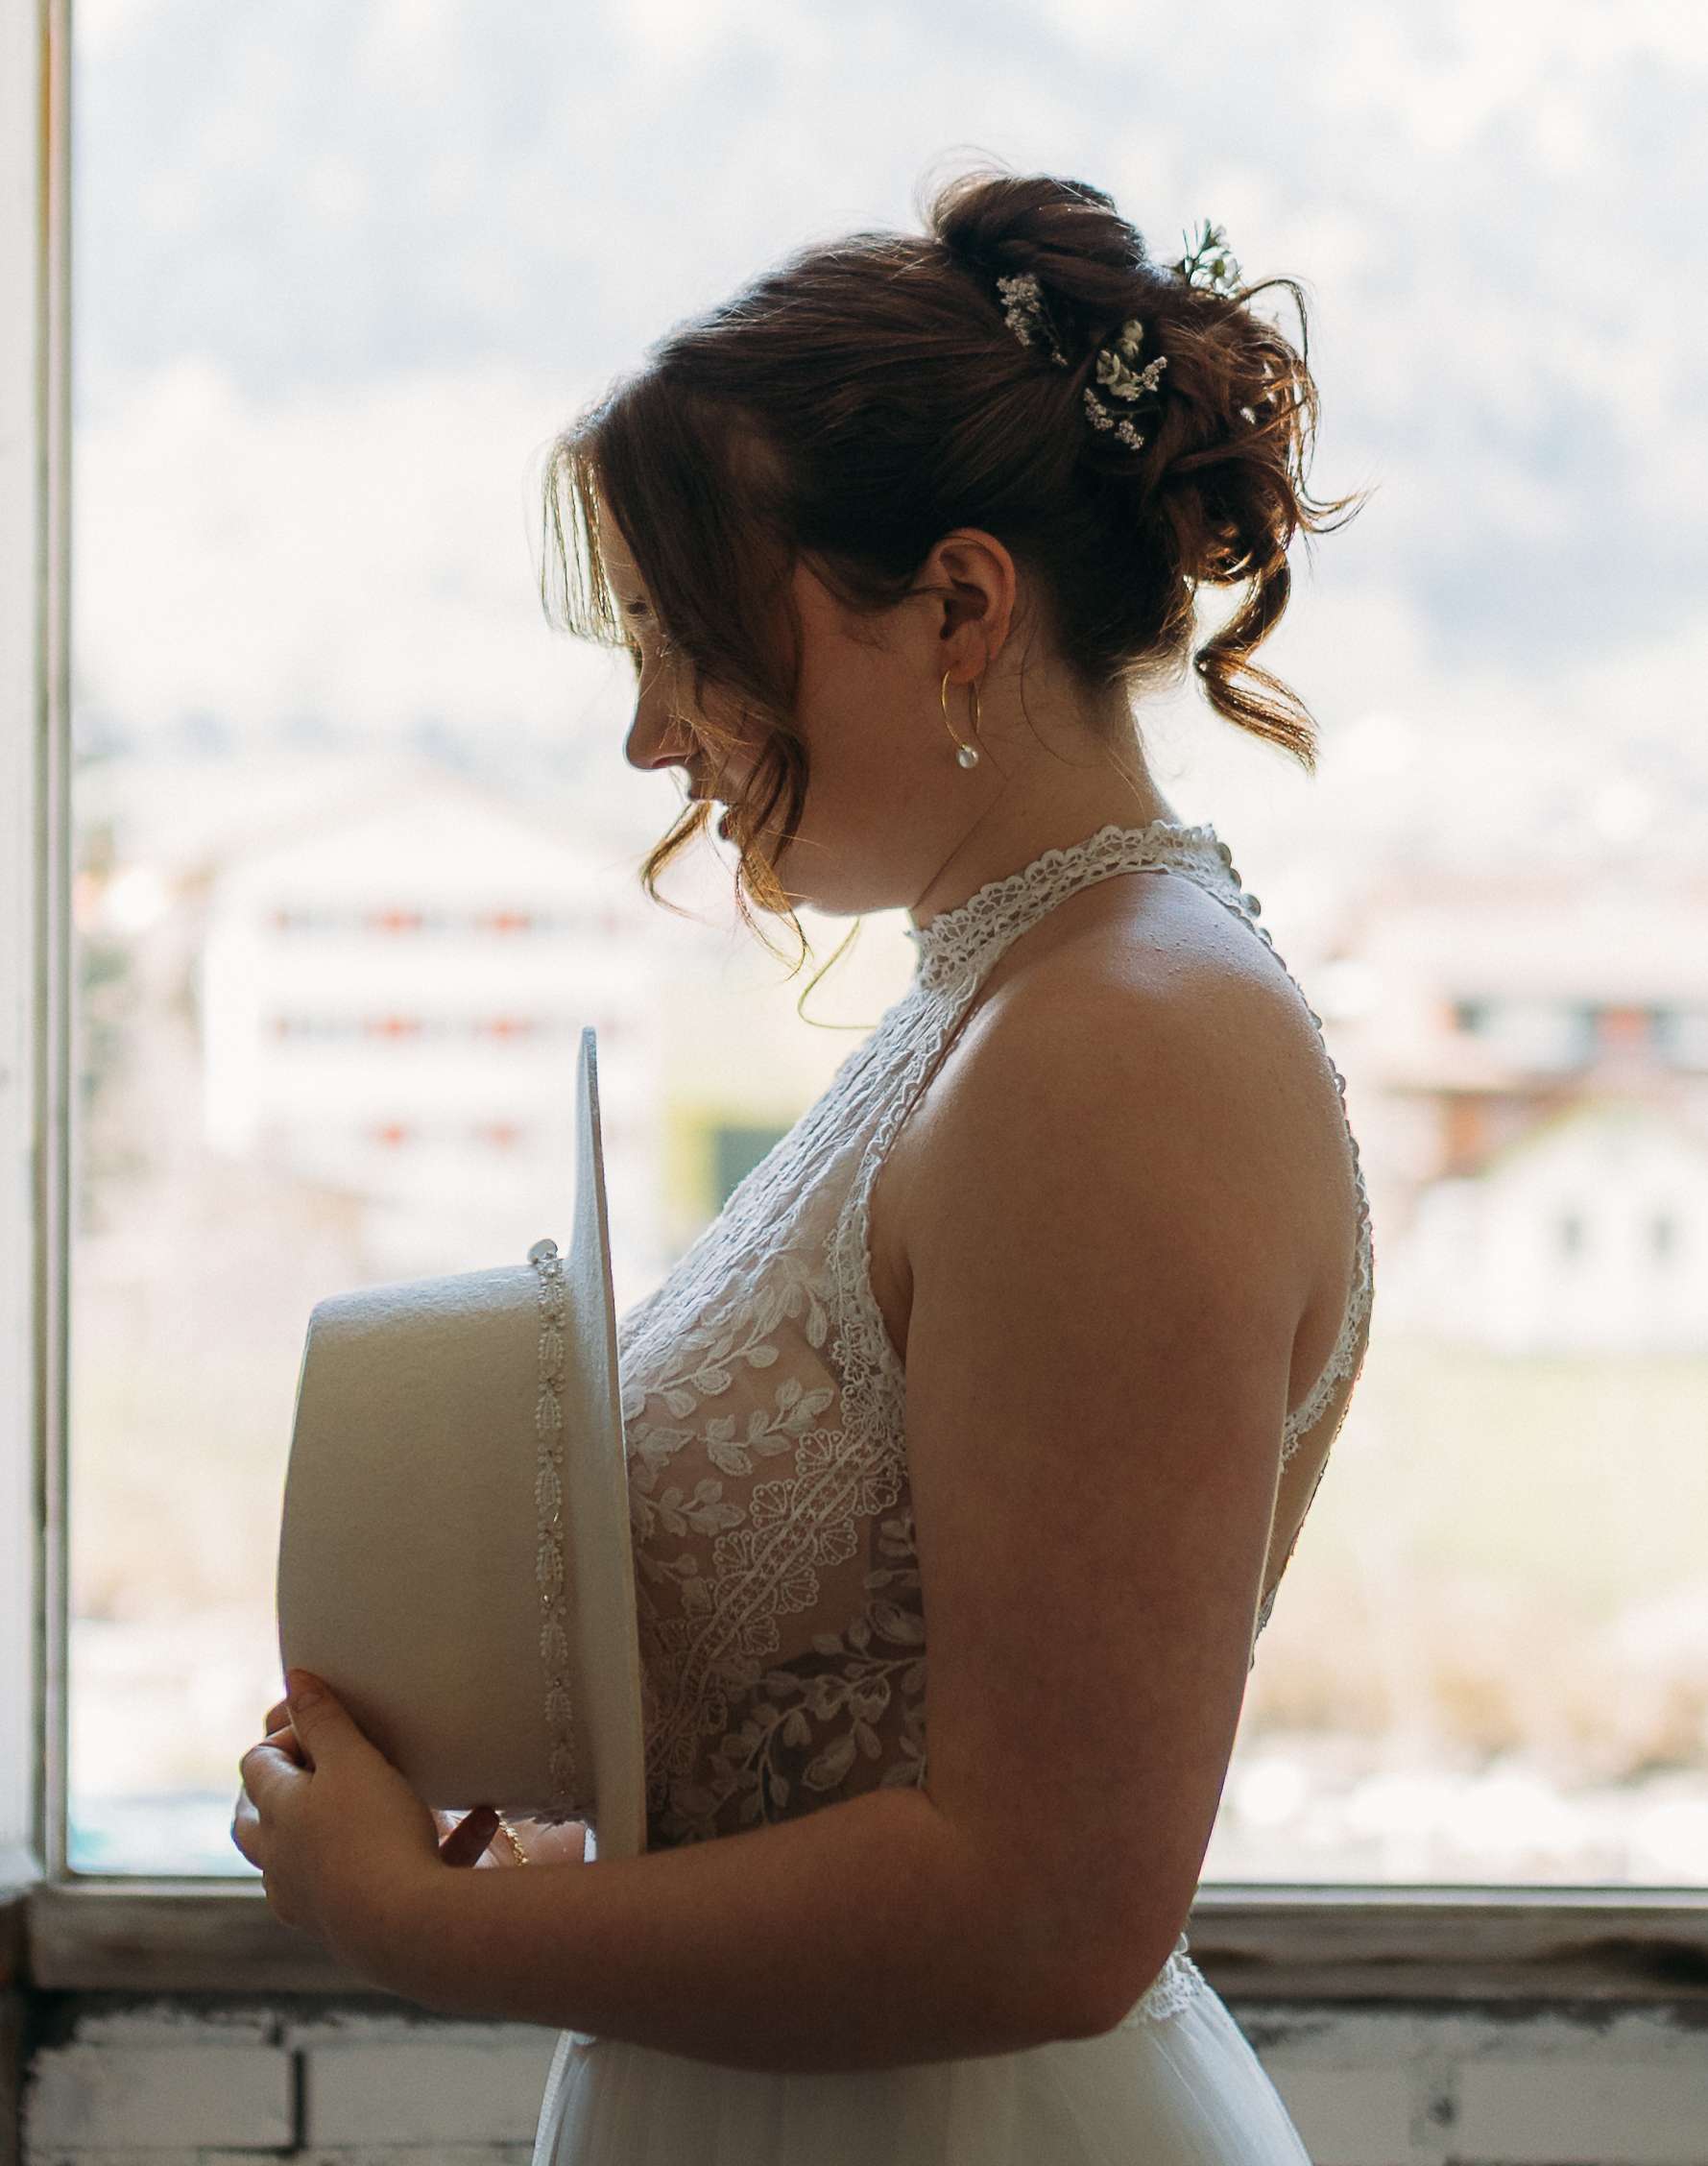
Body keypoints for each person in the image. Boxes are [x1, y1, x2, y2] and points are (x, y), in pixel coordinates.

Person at [255, 160, 1378, 2163]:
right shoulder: (1003, 995)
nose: (650, 737)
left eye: (687, 639)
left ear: (958, 607)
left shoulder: (1116, 1054)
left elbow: (1044, 1909)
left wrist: (428, 1931)